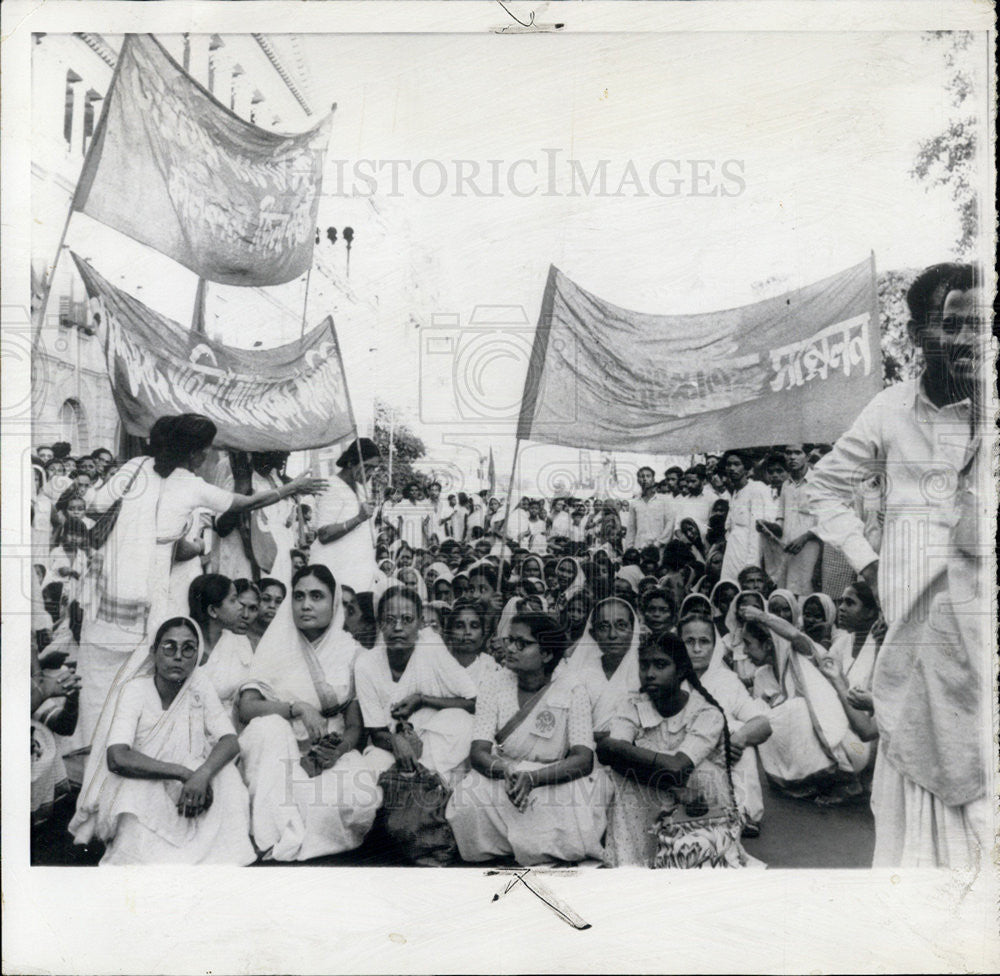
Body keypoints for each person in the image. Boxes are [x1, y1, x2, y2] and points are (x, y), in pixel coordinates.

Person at [76, 414, 327, 744]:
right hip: (146, 606)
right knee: (137, 687)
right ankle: (120, 760)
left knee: (95, 687)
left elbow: (93, 507)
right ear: (195, 453)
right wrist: (292, 489)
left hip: (103, 602)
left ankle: (87, 761)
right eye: (206, 450)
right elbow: (248, 502)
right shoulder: (193, 486)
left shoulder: (134, 467)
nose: (208, 456)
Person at [69, 616, 255, 865]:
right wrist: (181, 773)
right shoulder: (135, 690)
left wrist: (202, 774)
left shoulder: (199, 684)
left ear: (197, 655)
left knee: (228, 780)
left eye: (188, 648)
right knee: (137, 800)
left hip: (192, 779)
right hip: (145, 775)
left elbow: (230, 740)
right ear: (154, 652)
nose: (178, 655)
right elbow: (118, 757)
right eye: (169, 647)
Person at [237, 565, 384, 861]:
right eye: (299, 596)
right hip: (277, 753)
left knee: (347, 798)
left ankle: (300, 838)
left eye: (317, 596)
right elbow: (246, 707)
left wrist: (336, 750)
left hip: (327, 752)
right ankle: (271, 834)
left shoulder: (352, 653)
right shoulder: (276, 646)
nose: (306, 605)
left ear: (333, 604)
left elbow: (355, 726)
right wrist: (297, 708)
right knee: (267, 729)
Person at [446, 612, 609, 865]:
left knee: (565, 799)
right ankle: (500, 853)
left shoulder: (572, 687)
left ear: (546, 654)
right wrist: (505, 770)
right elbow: (478, 752)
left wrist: (533, 779)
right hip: (504, 772)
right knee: (468, 797)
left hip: (550, 775)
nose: (510, 648)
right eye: (510, 640)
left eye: (521, 643)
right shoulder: (493, 683)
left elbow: (583, 759)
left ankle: (543, 853)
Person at [598, 632, 748, 868]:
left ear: (680, 672)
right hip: (656, 795)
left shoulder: (707, 713)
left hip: (698, 803)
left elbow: (677, 767)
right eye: (644, 665)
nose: (650, 674)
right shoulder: (632, 704)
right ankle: (636, 861)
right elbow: (611, 757)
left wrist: (615, 746)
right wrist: (673, 787)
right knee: (621, 774)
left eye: (660, 665)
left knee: (699, 771)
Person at [355, 586, 478, 787]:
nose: (397, 628)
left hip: (433, 744)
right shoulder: (365, 664)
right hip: (389, 747)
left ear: (420, 623)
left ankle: (423, 777)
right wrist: (397, 742)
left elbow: (473, 702)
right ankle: (417, 781)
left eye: (407, 619)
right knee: (371, 771)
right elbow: (377, 732)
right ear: (380, 624)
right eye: (389, 619)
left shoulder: (432, 649)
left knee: (463, 722)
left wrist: (422, 700)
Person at [679, 614, 772, 834]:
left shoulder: (727, 680)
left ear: (714, 645)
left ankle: (745, 812)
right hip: (682, 760)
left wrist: (738, 738)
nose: (697, 649)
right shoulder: (671, 675)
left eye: (704, 641)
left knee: (739, 730)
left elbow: (762, 723)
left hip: (721, 759)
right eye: (689, 642)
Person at [313, 438, 380, 594]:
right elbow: (323, 534)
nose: (370, 473)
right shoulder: (331, 486)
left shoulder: (361, 489)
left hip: (359, 573)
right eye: (367, 467)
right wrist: (358, 519)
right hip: (337, 572)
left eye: (374, 469)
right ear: (350, 463)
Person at [189, 575, 255, 717]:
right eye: (233, 600)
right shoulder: (186, 646)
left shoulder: (241, 643)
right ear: (213, 610)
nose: (240, 606)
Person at [719, 450, 772, 581]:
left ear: (746, 467)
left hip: (747, 553)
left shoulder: (756, 489)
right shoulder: (735, 493)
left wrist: (752, 563)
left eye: (737, 464)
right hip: (732, 551)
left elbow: (756, 531)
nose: (732, 468)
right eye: (729, 464)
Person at [442, 599, 500, 691]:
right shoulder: (439, 668)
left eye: (474, 626)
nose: (467, 632)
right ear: (450, 634)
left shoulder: (492, 669)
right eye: (460, 626)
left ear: (483, 635)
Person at [624, 466, 675, 551]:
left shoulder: (664, 500)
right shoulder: (634, 503)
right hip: (639, 548)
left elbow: (670, 524)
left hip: (658, 549)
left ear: (653, 480)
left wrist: (658, 544)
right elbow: (631, 528)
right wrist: (629, 548)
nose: (644, 479)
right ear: (638, 481)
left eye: (648, 476)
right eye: (642, 476)